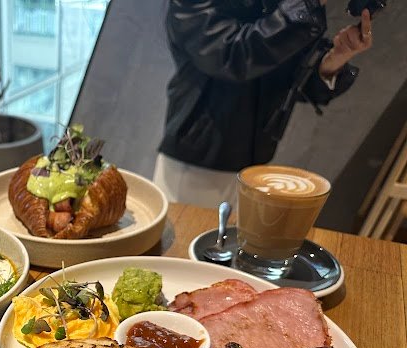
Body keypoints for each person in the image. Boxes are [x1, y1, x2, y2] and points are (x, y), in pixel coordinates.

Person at [154, 1, 374, 207]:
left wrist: (335, 58)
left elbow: (291, 81)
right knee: (183, 233)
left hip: (257, 166)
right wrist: (307, 5)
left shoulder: (283, 7)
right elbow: (232, 57)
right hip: (199, 159)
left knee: (235, 235)